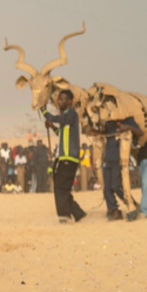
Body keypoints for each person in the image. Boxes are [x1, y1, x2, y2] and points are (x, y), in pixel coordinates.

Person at [43, 88, 86, 223]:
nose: (59, 102)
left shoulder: (71, 114)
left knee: (60, 188)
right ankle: (78, 213)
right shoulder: (66, 118)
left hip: (69, 158)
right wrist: (52, 127)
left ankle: (64, 216)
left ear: (69, 101)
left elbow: (58, 118)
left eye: (62, 100)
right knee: (63, 189)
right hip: (62, 158)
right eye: (59, 100)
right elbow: (61, 135)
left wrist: (44, 112)